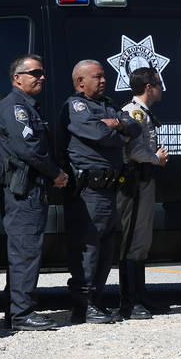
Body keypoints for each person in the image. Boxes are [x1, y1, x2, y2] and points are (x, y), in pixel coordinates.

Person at [59, 59, 142, 324]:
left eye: (104, 76)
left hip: (109, 190)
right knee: (88, 249)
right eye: (97, 77)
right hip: (88, 192)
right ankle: (82, 306)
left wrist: (116, 124)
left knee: (106, 249)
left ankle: (95, 301)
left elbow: (135, 127)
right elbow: (96, 134)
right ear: (81, 82)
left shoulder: (109, 105)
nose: (103, 80)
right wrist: (117, 131)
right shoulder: (76, 106)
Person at [0, 55, 69, 330]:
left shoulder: (26, 107)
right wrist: (56, 173)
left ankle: (16, 312)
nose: (41, 77)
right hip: (24, 191)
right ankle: (22, 314)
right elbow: (29, 149)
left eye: (42, 72)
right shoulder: (15, 107)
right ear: (18, 78)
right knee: (25, 251)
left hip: (31, 190)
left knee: (26, 250)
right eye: (35, 73)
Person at [116, 67, 170, 320]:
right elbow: (135, 151)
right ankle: (130, 300)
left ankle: (141, 295)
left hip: (144, 182)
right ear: (149, 87)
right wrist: (156, 159)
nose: (162, 89)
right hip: (134, 184)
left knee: (141, 242)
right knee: (132, 241)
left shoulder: (144, 112)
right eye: (159, 84)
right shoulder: (134, 112)